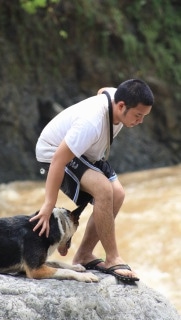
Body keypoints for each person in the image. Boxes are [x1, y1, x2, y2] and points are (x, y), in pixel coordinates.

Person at [30, 79, 154, 283]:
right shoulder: (91, 123)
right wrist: (48, 205)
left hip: (86, 152)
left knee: (118, 194)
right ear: (121, 106)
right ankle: (112, 258)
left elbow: (103, 90)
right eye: (138, 115)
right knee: (104, 190)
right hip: (52, 153)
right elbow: (58, 160)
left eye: (144, 116)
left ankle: (84, 255)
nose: (140, 121)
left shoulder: (117, 96)